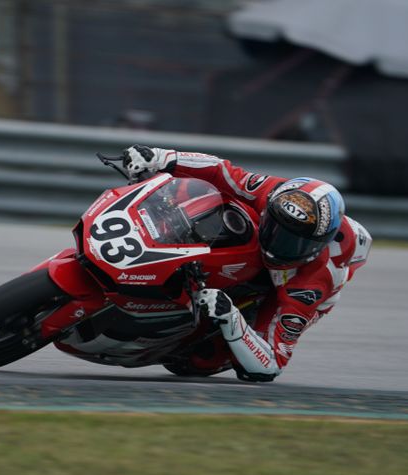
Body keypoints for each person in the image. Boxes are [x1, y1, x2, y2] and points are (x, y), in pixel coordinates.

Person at [123, 145, 372, 382]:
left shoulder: (310, 286)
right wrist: (160, 157)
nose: (277, 244)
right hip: (259, 223)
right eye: (275, 229)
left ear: (317, 247)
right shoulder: (275, 193)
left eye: (293, 243)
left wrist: (231, 318)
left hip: (289, 281)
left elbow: (271, 365)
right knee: (193, 193)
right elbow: (222, 171)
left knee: (202, 360)